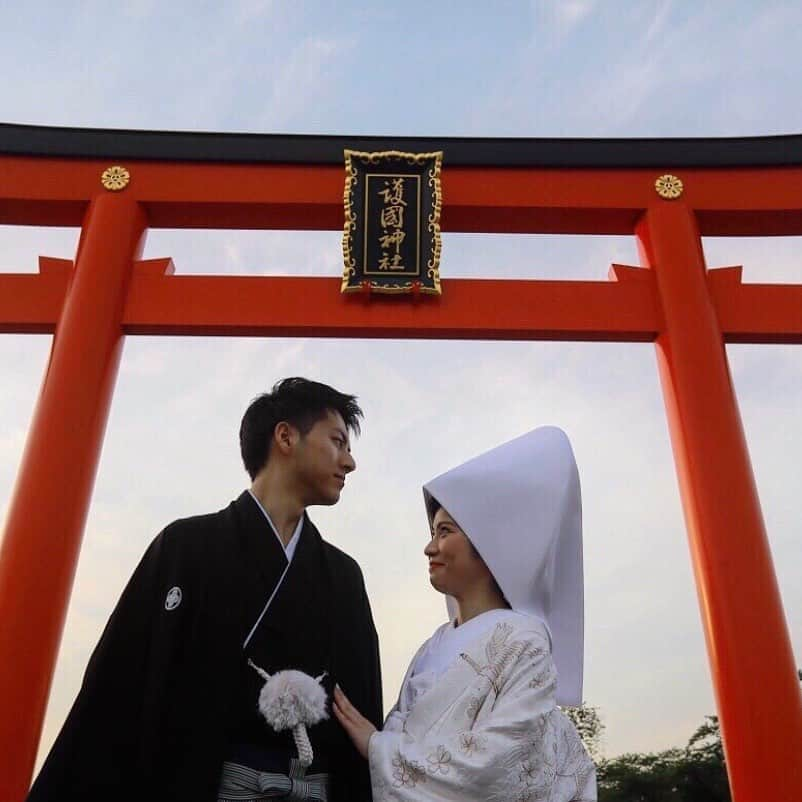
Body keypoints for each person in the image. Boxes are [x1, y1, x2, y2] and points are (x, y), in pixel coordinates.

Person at [28, 377, 383, 802]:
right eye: (338, 442)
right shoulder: (185, 548)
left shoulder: (343, 576)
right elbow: (117, 691)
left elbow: (360, 712)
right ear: (286, 436)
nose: (349, 462)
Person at [334, 426, 597, 801]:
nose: (430, 547)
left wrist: (379, 749)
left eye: (444, 532)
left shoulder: (524, 640)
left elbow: (499, 763)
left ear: (489, 544)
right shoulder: (431, 647)